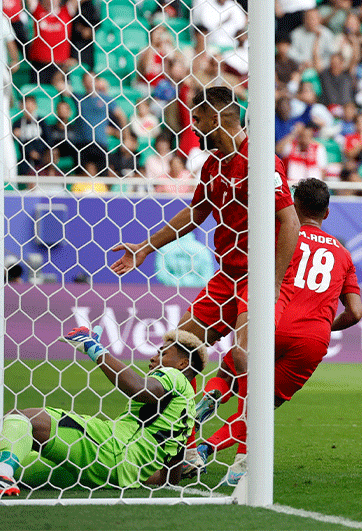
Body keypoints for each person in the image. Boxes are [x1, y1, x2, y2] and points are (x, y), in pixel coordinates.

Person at [109, 86, 300, 459]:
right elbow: (197, 212)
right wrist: (146, 247)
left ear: (216, 118)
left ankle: (250, 451)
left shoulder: (261, 160)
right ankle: (184, 445)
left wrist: (273, 283)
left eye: (196, 120)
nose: (192, 127)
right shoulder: (213, 164)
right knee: (177, 352)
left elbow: (289, 222)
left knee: (246, 356)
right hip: (225, 275)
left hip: (258, 276)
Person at [189, 179, 362, 485]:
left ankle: (213, 395)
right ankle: (207, 449)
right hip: (311, 341)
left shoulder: (283, 236)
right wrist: (322, 327)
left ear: (293, 206)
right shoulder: (344, 255)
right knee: (262, 405)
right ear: (328, 212)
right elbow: (355, 313)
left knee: (232, 369)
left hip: (274, 321)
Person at [0, 328, 206, 496]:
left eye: (163, 353)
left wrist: (93, 348)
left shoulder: (174, 376)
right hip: (110, 472)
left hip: (109, 447)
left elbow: (139, 389)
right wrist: (135, 474)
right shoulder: (187, 408)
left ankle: (2, 478)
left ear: (183, 363)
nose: (154, 358)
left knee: (25, 417)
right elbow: (171, 472)